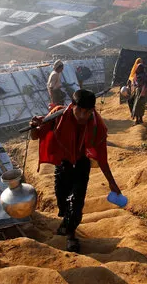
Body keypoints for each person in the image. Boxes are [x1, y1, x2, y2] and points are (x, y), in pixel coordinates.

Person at [29, 89, 123, 253]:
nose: (82, 115)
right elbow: (35, 136)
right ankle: (66, 223)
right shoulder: (57, 115)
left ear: (92, 110)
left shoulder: (97, 126)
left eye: (87, 112)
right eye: (79, 110)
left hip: (81, 165)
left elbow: (102, 157)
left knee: (76, 204)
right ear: (72, 106)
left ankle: (71, 236)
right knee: (62, 200)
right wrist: (33, 127)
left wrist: (112, 183)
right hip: (63, 164)